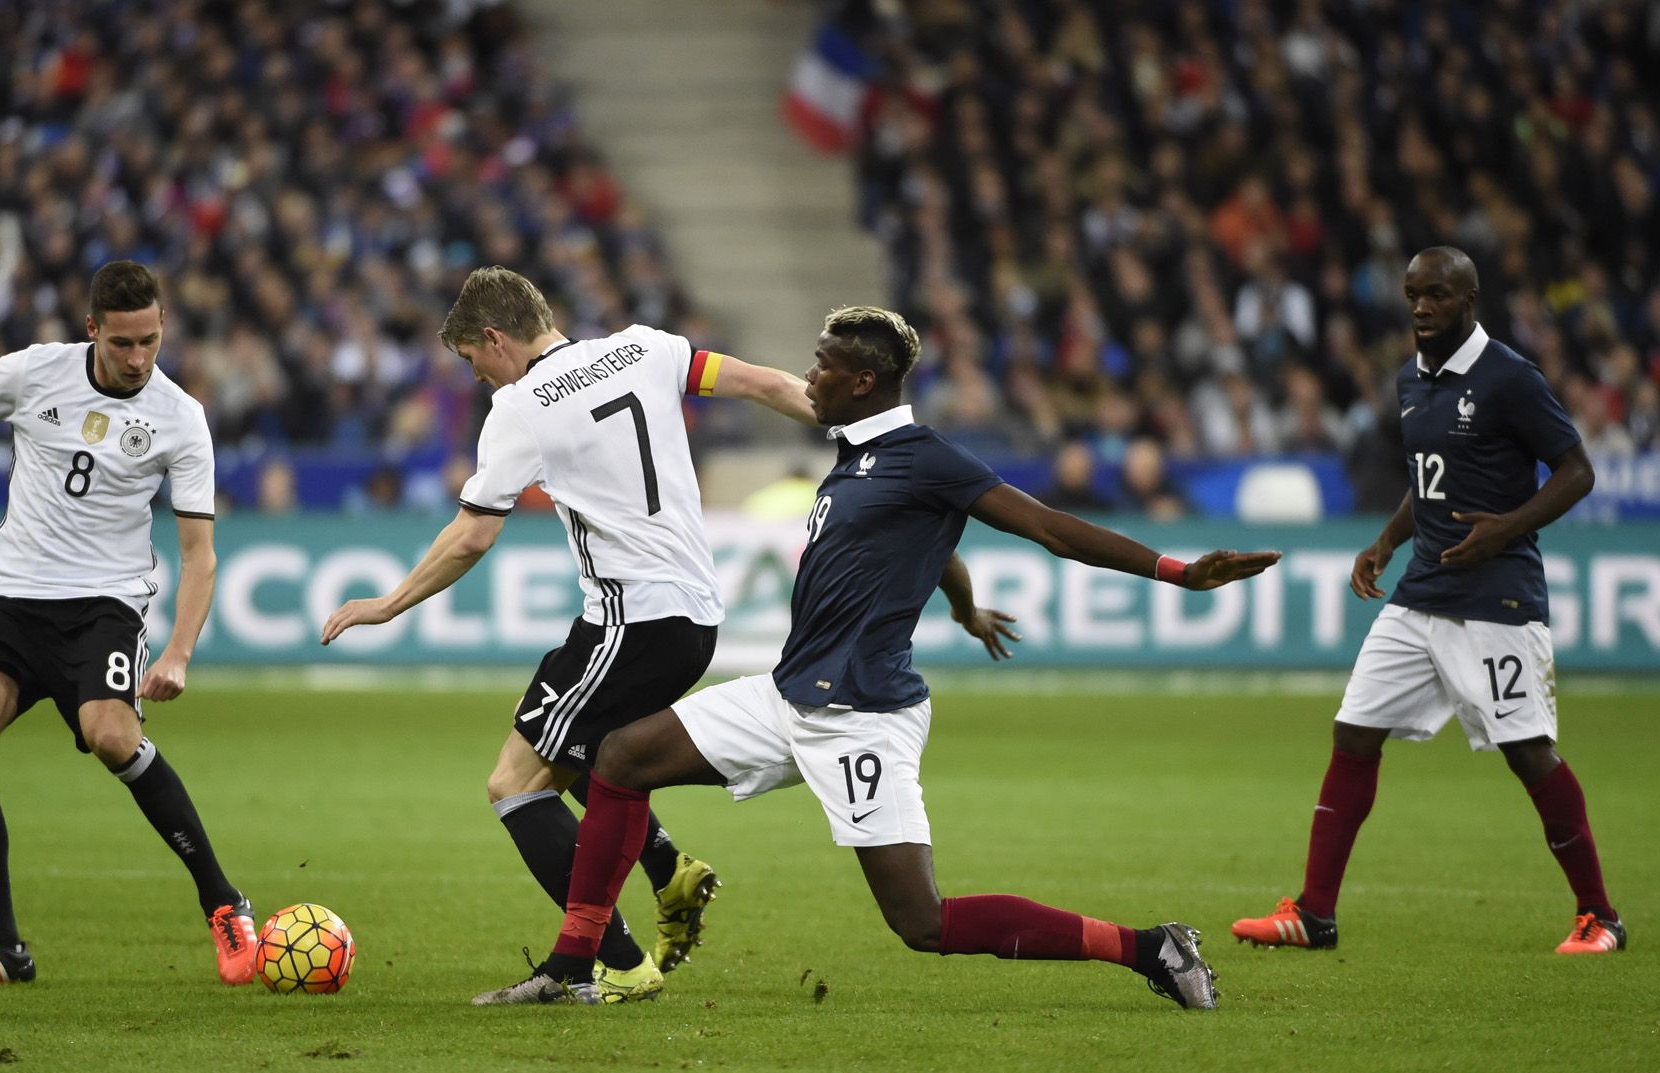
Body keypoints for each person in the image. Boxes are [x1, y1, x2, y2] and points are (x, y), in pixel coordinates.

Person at [474, 305, 1280, 1008]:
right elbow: (932, 545)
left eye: (824, 363)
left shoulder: (925, 456)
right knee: (619, 756)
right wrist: (963, 608)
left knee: (922, 923)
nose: (810, 375)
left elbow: (1047, 526)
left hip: (862, 714)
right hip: (790, 697)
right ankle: (578, 963)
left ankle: (1151, 946)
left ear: (862, 380)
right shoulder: (856, 456)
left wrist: (1175, 570)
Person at [320, 266, 817, 1002]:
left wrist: (391, 603)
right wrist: (858, 423)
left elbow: (471, 537)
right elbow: (768, 386)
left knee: (514, 785)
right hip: (690, 615)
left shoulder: (521, 405)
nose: (481, 377)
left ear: (494, 337)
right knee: (582, 749)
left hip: (633, 619)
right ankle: (664, 872)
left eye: (473, 360)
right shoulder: (646, 348)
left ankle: (608, 962)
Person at [0, 261, 259, 986]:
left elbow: (200, 556)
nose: (138, 360)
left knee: (111, 734)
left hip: (104, 603)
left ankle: (224, 902)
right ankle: (3, 948)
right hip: (13, 598)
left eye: (151, 342)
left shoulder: (180, 416)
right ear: (92, 329)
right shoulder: (34, 372)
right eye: (124, 344)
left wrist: (178, 653)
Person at [1230, 247, 1622, 954]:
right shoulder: (1412, 378)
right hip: (1421, 596)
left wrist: (1507, 526)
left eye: (1435, 295)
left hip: (1497, 600)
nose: (1419, 307)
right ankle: (1314, 914)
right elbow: (1430, 480)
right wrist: (1385, 541)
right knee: (1353, 732)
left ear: (1468, 300)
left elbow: (1577, 470)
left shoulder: (1509, 377)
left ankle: (1600, 915)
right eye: (1412, 294)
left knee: (1529, 752)